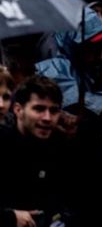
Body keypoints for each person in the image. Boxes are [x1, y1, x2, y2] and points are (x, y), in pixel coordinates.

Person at [0, 75, 82, 227]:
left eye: (54, 110)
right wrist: (10, 217)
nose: (47, 118)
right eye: (39, 109)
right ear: (18, 109)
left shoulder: (62, 149)